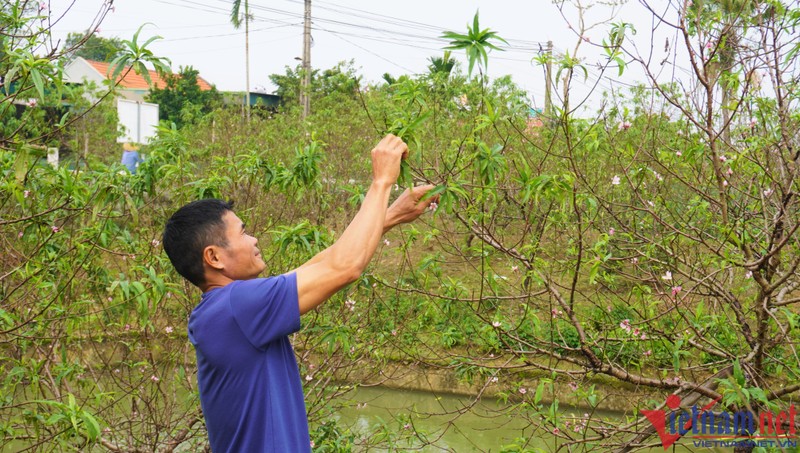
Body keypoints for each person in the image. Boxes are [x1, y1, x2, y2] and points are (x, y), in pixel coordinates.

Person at [162, 134, 437, 452]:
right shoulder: (237, 306)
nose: (253, 240)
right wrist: (381, 182)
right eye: (243, 232)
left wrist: (389, 216)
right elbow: (343, 267)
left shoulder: (226, 310)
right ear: (214, 257)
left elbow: (322, 265)